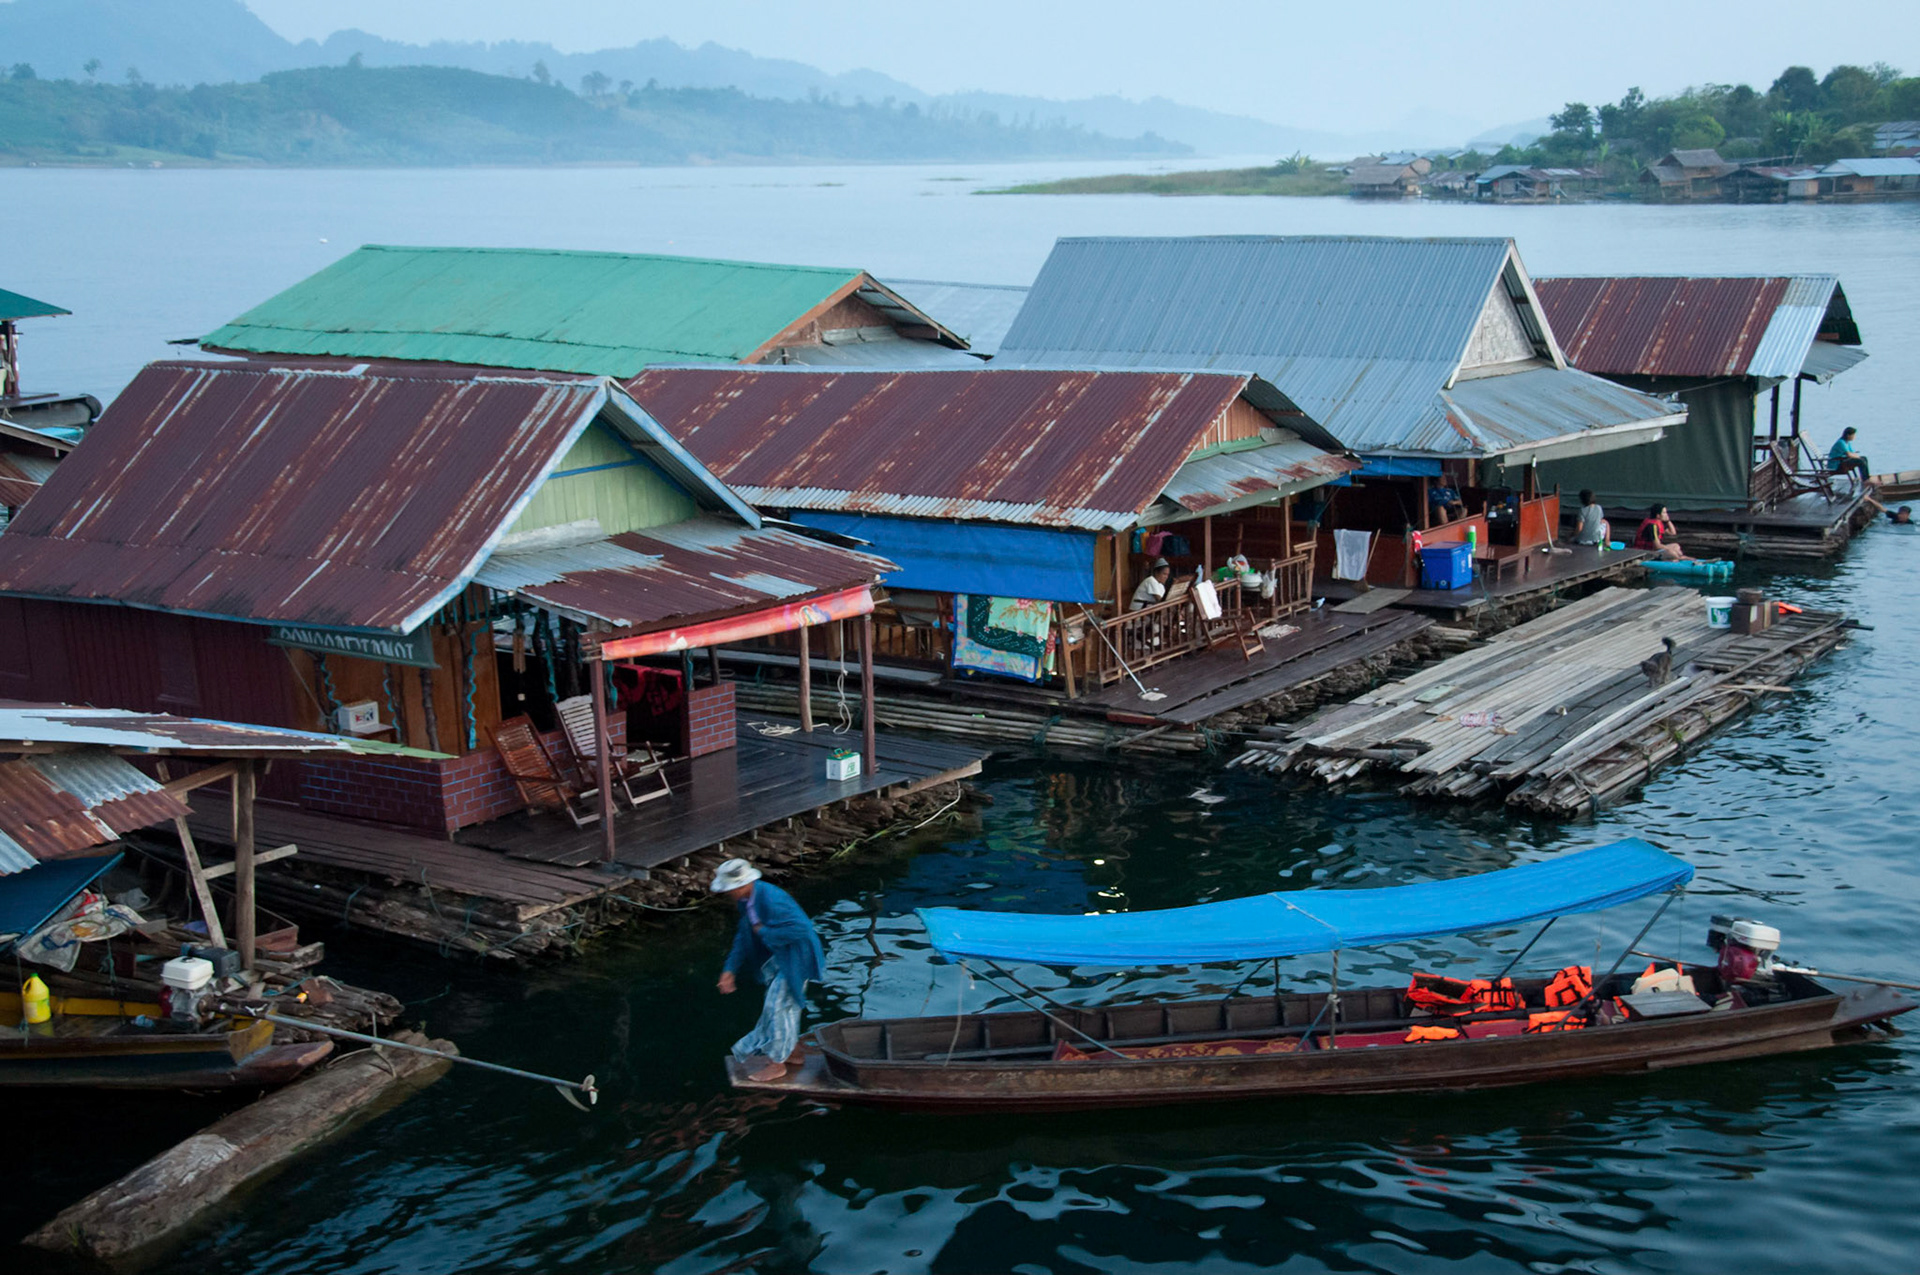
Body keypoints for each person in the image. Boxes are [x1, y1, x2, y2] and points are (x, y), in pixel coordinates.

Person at [714, 858, 825, 1082]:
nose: (728, 893)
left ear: (741, 886)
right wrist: (730, 969)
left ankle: (777, 1063)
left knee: (778, 1008)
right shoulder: (746, 901)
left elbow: (801, 928)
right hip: (778, 957)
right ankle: (792, 1052)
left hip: (796, 958)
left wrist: (765, 933)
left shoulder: (771, 898)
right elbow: (744, 935)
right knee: (785, 1005)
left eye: (730, 889)